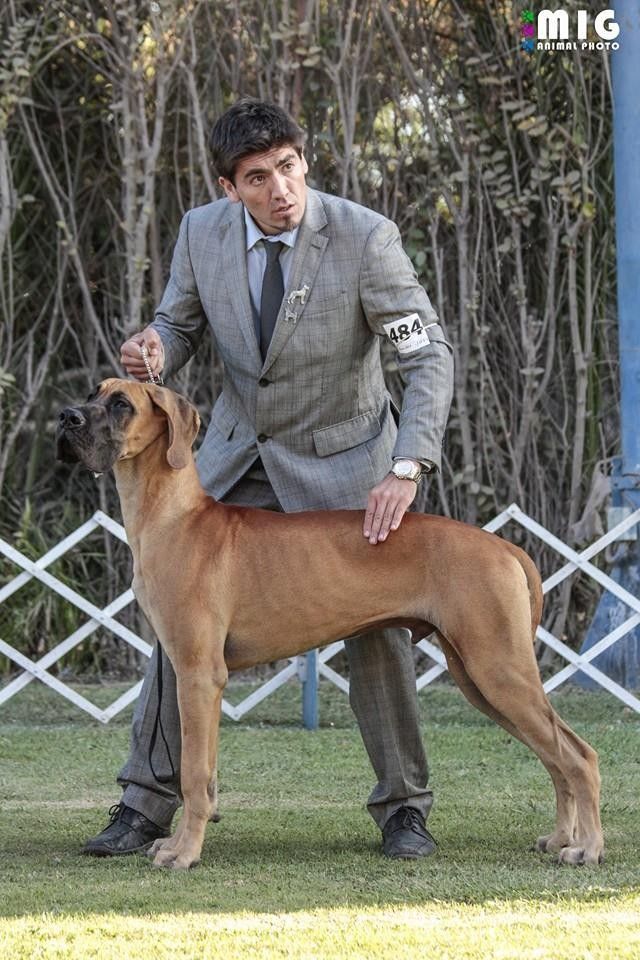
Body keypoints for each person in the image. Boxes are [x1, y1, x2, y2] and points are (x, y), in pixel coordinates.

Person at [84, 98, 453, 860]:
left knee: (380, 632)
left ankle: (403, 810)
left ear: (304, 160)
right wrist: (156, 345)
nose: (280, 188)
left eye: (288, 167)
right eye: (258, 177)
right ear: (229, 188)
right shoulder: (201, 233)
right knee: (180, 627)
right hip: (234, 459)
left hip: (346, 466)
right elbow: (179, 324)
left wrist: (406, 465)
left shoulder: (367, 238)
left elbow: (427, 356)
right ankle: (145, 803)